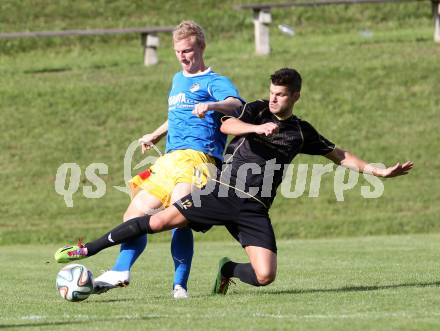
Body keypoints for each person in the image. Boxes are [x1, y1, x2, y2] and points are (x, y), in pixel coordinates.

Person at [55, 68, 413, 295]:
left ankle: (227, 270)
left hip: (253, 209)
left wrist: (379, 171)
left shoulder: (301, 133)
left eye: (281, 94)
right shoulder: (255, 109)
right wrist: (257, 127)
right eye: (272, 91)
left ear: (296, 96)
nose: (274, 97)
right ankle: (89, 249)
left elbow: (340, 155)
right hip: (221, 192)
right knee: (158, 219)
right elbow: (227, 125)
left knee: (265, 275)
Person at [93, 20, 243, 298]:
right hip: (170, 160)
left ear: (201, 47)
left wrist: (212, 104)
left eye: (188, 50)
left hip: (200, 160)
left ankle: (179, 285)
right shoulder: (177, 80)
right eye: (178, 52)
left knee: (179, 216)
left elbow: (236, 103)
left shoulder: (215, 81)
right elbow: (176, 116)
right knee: (133, 214)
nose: (183, 57)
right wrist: (155, 134)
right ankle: (120, 270)